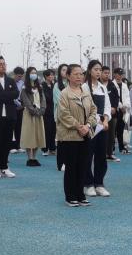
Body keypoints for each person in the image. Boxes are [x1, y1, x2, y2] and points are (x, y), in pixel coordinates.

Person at [56, 64, 98, 207]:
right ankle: (70, 196)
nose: (79, 77)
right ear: (68, 76)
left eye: (81, 74)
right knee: (71, 167)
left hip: (86, 134)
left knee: (83, 166)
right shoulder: (64, 93)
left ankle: (81, 195)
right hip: (70, 135)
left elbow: (93, 110)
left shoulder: (85, 92)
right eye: (75, 74)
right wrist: (78, 126)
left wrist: (87, 125)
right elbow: (63, 114)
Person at [83, 60, 112, 197]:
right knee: (88, 154)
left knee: (101, 155)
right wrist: (94, 121)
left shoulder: (102, 87)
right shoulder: (84, 87)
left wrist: (105, 119)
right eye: (96, 69)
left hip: (102, 125)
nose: (98, 72)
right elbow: (85, 107)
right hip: (89, 124)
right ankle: (88, 184)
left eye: (100, 69)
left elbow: (107, 105)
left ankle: (99, 183)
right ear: (89, 70)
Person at [19, 67, 46, 167]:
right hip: (29, 114)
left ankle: (34, 157)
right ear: (28, 74)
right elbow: (26, 101)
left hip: (39, 114)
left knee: (37, 135)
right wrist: (34, 111)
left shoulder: (40, 87)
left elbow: (43, 100)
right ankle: (29, 158)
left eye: (35, 73)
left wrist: (42, 109)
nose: (34, 74)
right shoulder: (24, 88)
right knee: (29, 135)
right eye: (32, 73)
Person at [41, 69, 57, 157]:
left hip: (54, 110)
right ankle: (45, 148)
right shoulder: (42, 86)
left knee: (53, 130)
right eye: (50, 75)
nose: (52, 76)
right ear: (46, 76)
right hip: (46, 111)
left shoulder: (55, 85)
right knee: (47, 130)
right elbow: (46, 97)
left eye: (53, 75)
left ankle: (52, 148)